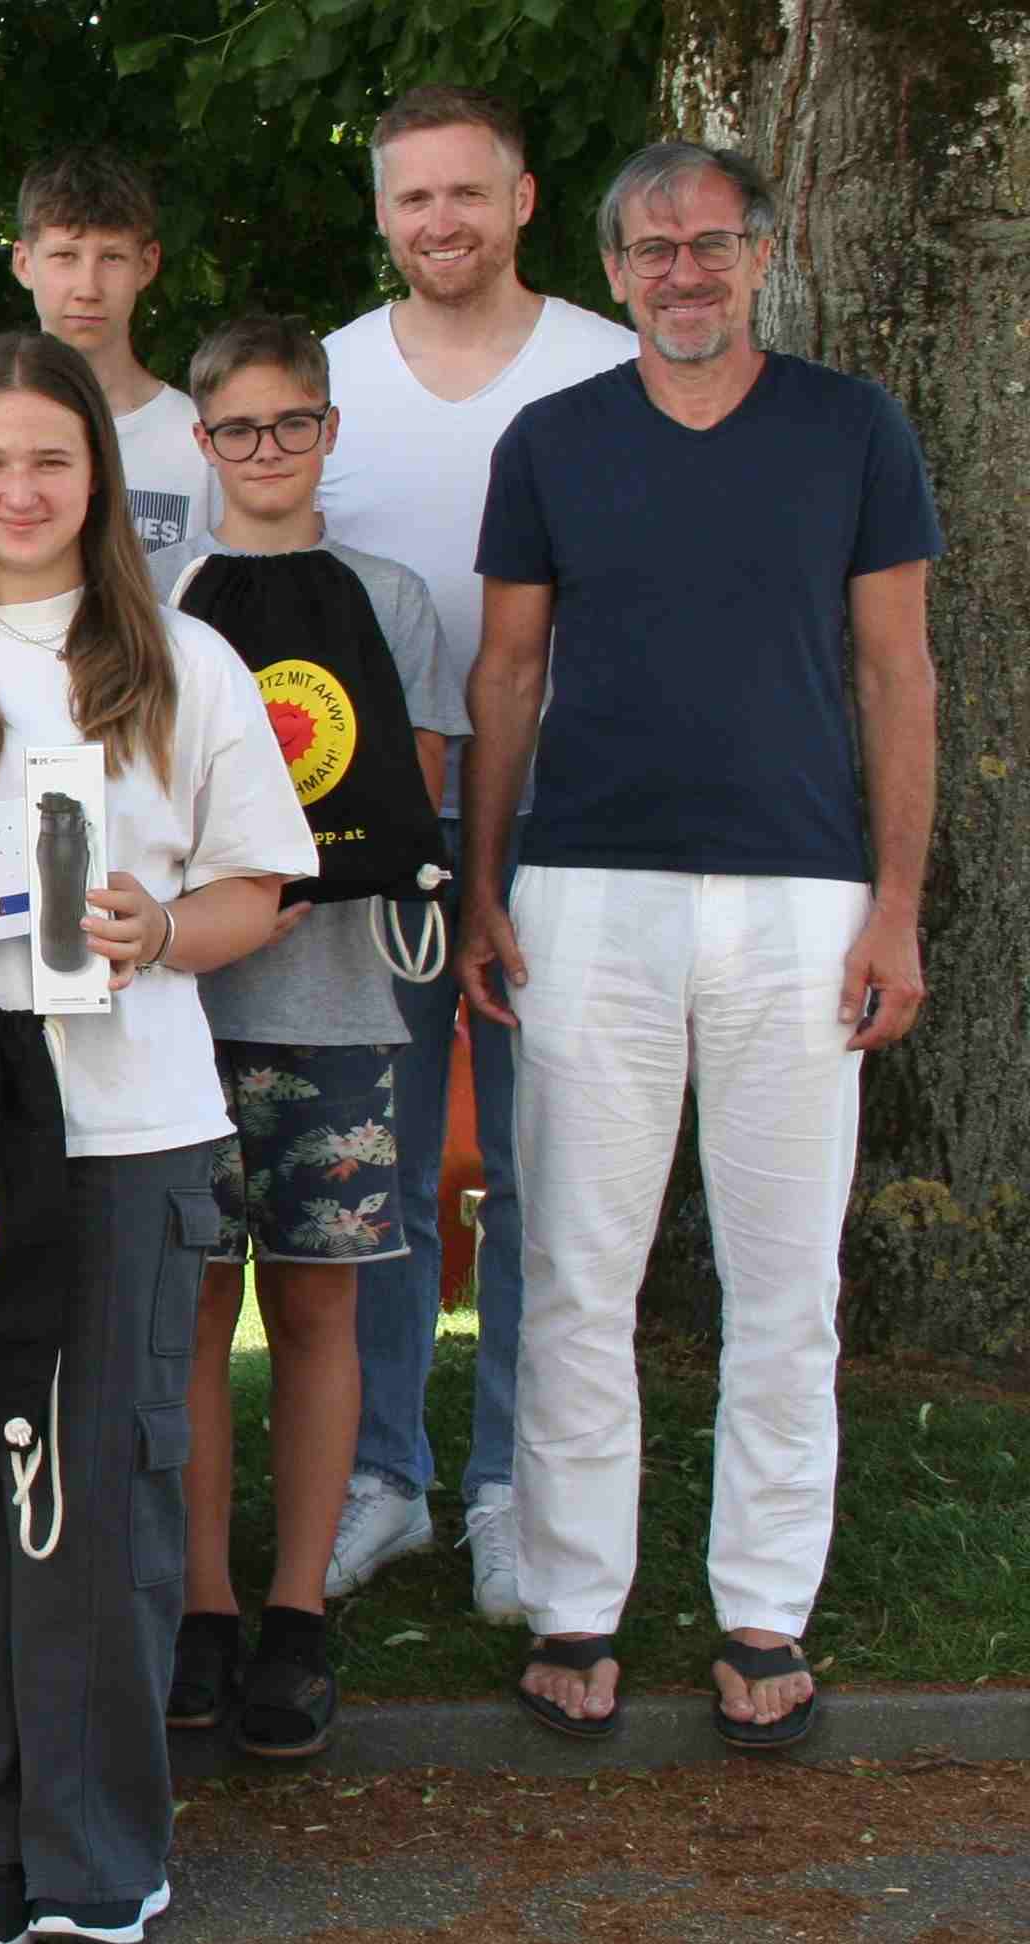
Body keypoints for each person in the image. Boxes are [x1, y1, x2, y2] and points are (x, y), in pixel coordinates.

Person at [0, 333, 313, 1944]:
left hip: (125, 1128)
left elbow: (256, 886)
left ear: (98, 476)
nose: (18, 492)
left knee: (100, 1500)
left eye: (50, 460)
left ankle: (100, 1859)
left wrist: (160, 927)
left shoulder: (183, 662)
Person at [462, 142, 937, 1749]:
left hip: (803, 899)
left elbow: (897, 676)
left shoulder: (851, 428)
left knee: (785, 1276)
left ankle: (761, 1604)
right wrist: (482, 887)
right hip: (587, 889)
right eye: (654, 248)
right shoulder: (551, 440)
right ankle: (578, 1595)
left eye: (711, 244)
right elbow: (506, 681)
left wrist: (898, 902)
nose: (684, 272)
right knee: (580, 1269)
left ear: (759, 253)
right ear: (614, 268)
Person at [315, 84, 636, 1622]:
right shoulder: (322, 385)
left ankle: (514, 1481)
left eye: (467, 193)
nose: (439, 222)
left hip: (561, 816)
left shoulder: (610, 366)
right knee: (372, 1166)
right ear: (380, 216)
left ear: (521, 203)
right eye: (410, 199)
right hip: (370, 823)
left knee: (534, 1168)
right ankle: (385, 1476)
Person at [149, 319, 465, 1761]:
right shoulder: (162, 596)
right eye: (238, 430)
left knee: (322, 1305)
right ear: (201, 443)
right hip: (184, 1014)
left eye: (291, 425)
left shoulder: (390, 599)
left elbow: (414, 802)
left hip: (339, 1001)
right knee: (199, 1309)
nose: (265, 451)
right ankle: (203, 1606)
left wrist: (302, 888)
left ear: (328, 433)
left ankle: (298, 1614)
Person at [11, 150, 217, 553]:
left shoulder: (197, 438)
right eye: (65, 256)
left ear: (146, 264)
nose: (88, 288)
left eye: (111, 257)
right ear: (23, 263)